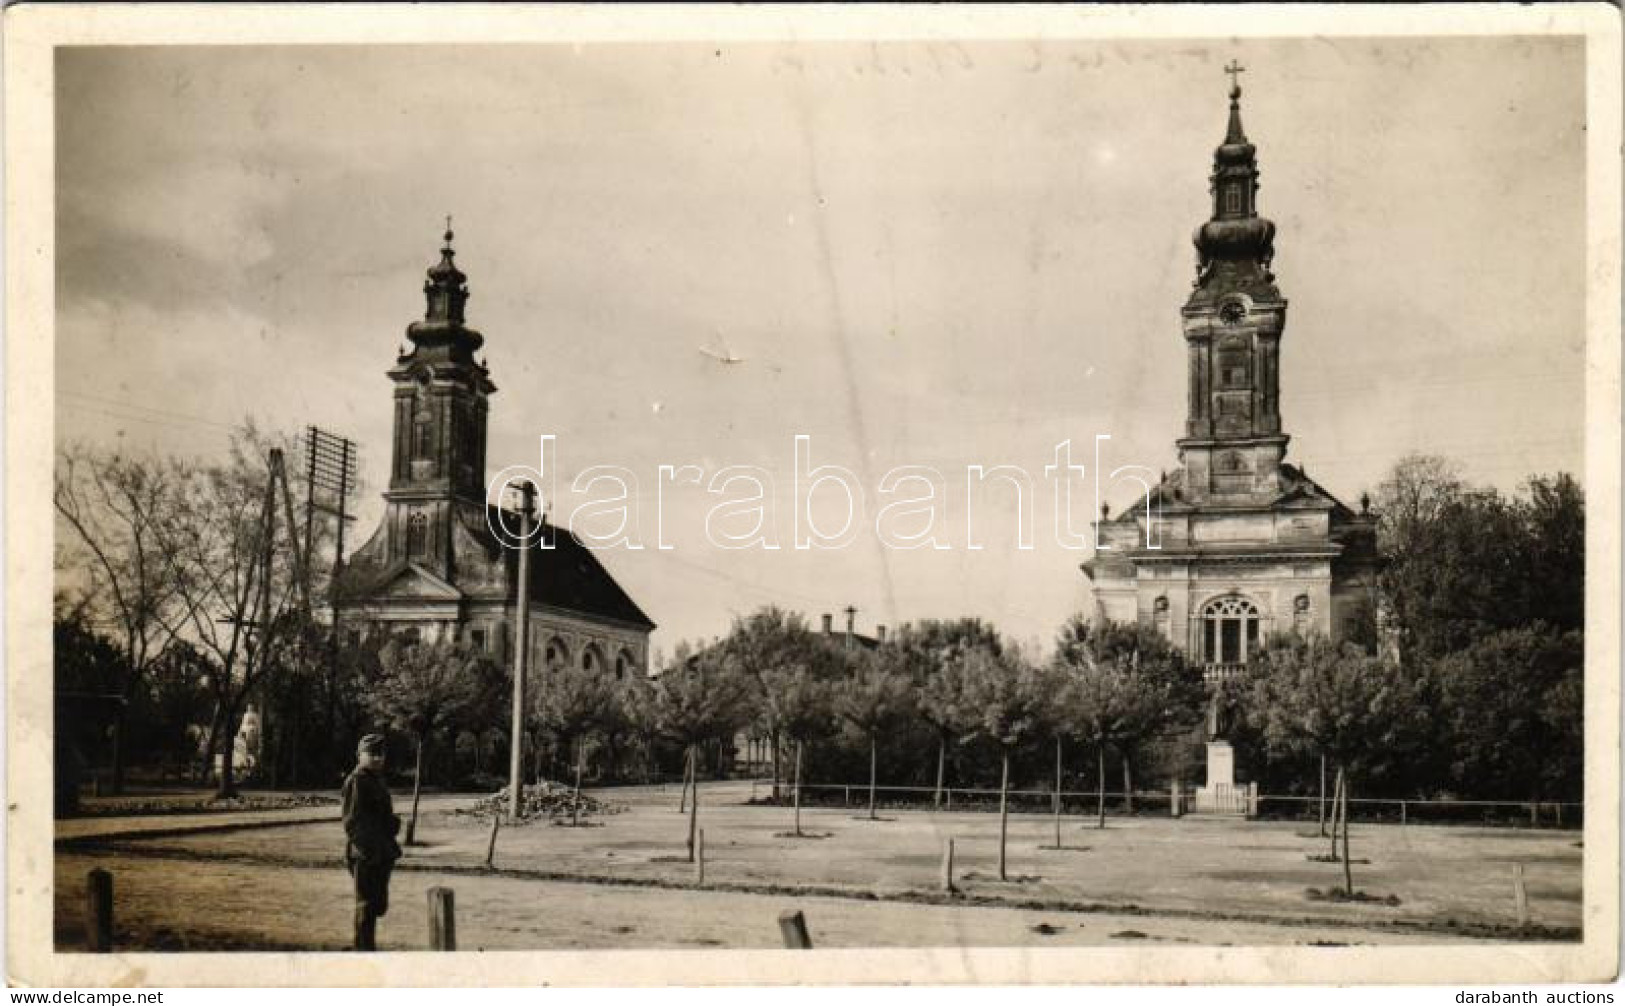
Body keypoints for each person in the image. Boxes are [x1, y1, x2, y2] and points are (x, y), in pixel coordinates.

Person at [342, 733, 401, 951]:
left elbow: (383, 815)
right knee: (365, 905)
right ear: (359, 755)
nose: (377, 759)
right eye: (371, 754)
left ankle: (366, 945)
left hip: (382, 851)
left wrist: (393, 825)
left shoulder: (376, 780)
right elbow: (352, 822)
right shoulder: (357, 781)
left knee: (377, 904)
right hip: (365, 854)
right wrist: (368, 850)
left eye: (380, 754)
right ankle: (363, 950)